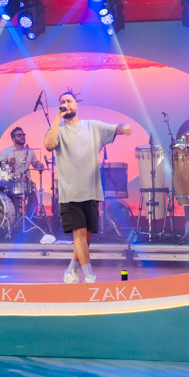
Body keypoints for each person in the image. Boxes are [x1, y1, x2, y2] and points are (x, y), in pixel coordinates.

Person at [44, 92, 132, 283]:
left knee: (86, 238)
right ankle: (90, 277)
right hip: (70, 192)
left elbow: (116, 128)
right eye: (62, 102)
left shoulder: (92, 126)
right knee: (80, 234)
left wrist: (124, 128)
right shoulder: (58, 129)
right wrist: (57, 116)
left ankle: (71, 271)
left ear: (77, 105)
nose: (66, 104)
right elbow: (48, 145)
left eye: (69, 101)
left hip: (91, 190)